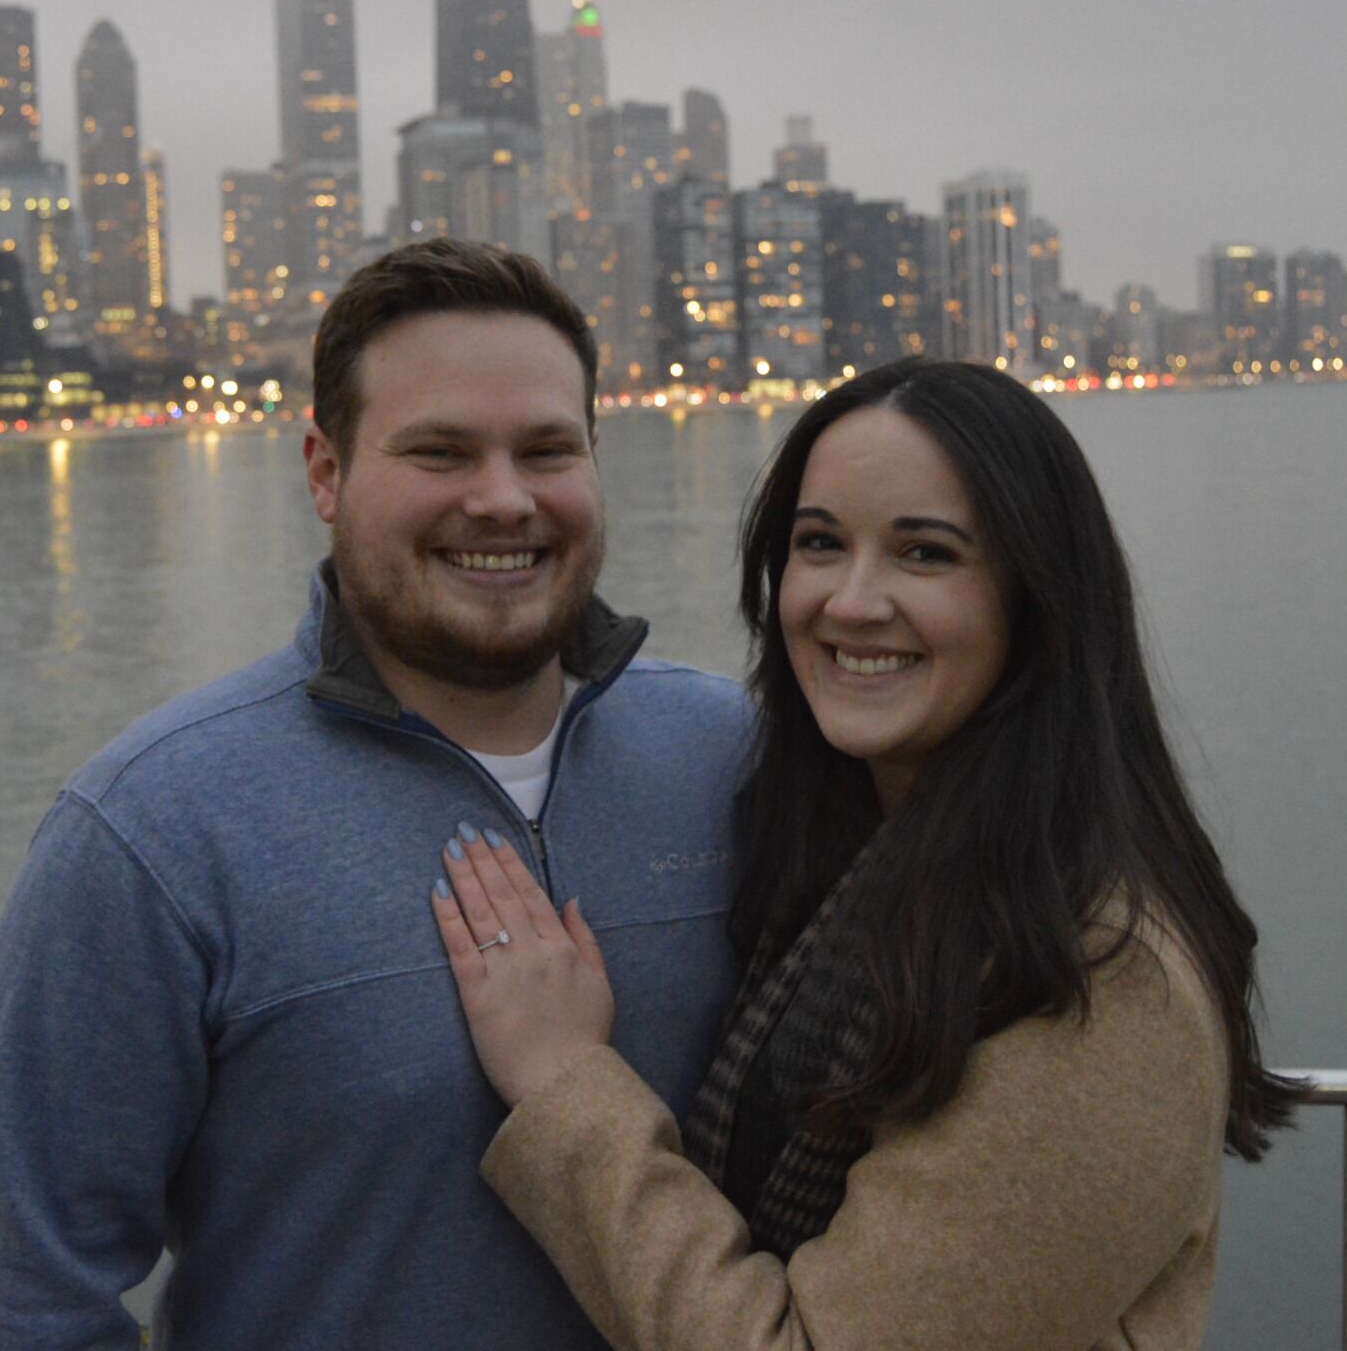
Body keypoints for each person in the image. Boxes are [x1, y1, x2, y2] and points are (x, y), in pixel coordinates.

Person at [0, 238, 753, 1348]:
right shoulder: (147, 832)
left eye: (546, 449)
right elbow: (27, 1297)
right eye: (440, 452)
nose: (504, 499)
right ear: (325, 472)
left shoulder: (736, 758)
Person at [431, 357, 1301, 1351]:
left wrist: (563, 1084)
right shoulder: (863, 876)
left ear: (1038, 598)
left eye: (923, 554)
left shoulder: (1097, 974)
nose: (851, 601)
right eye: (818, 544)